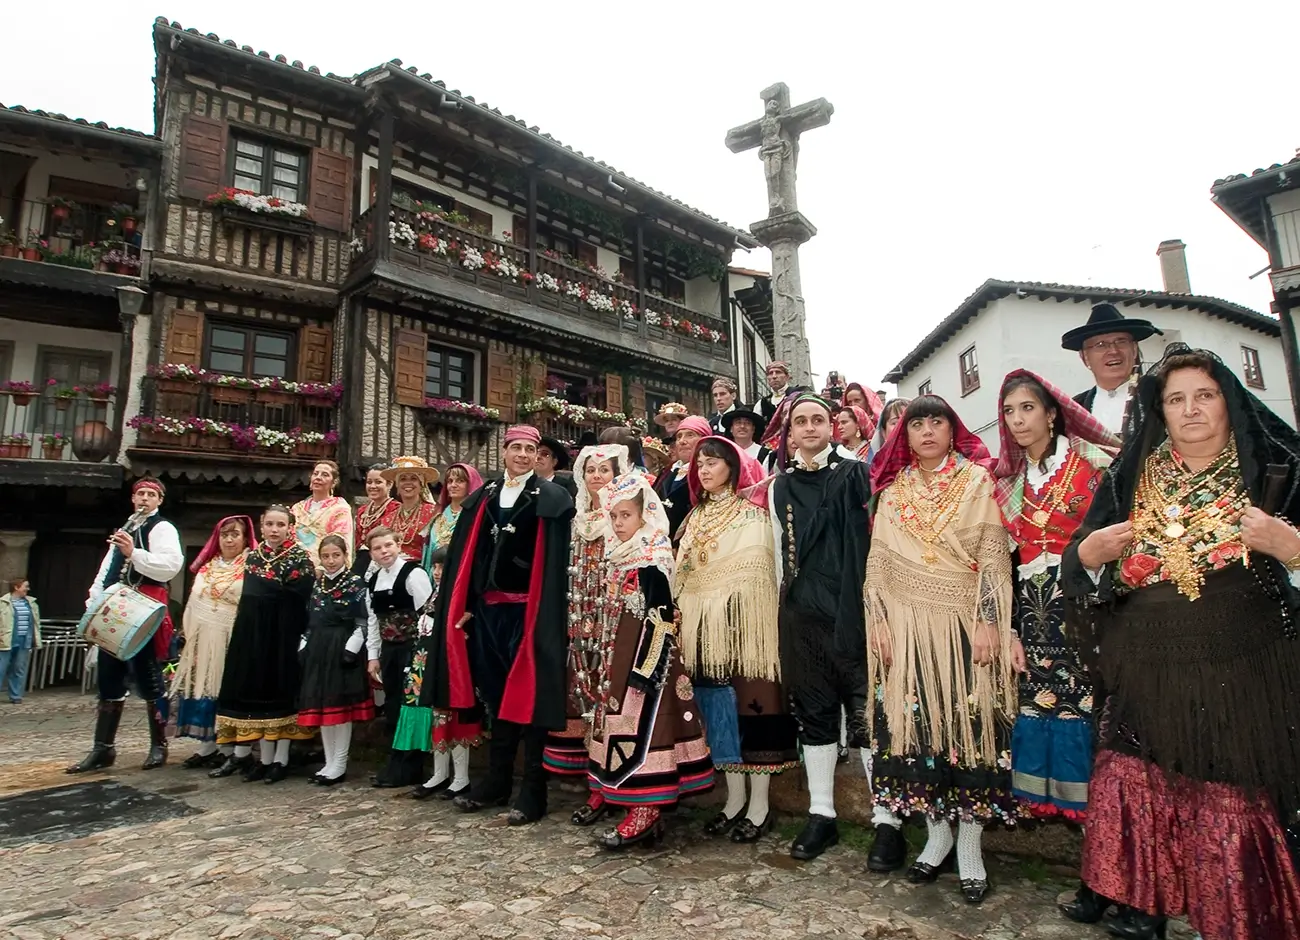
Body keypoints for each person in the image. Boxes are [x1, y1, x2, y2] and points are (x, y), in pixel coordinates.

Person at [1062, 346, 1300, 940]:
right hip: (1145, 666)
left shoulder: (1278, 473)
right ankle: (1147, 905)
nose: (1191, 410)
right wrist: (1087, 556)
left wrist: (1291, 548)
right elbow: (1084, 556)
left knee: (1226, 797)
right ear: (1159, 412)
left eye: (1205, 395)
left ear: (1230, 402)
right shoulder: (1130, 474)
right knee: (1140, 780)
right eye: (1175, 399)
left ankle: (1237, 918)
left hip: (1238, 669)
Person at [865, 395, 1014, 904]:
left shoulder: (977, 481)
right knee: (918, 730)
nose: (927, 431)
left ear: (953, 431)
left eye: (937, 422)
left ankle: (969, 846)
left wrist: (990, 622)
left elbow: (994, 561)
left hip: (962, 626)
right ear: (903, 436)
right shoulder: (892, 492)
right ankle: (937, 836)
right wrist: (880, 623)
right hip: (906, 630)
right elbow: (878, 566)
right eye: (917, 424)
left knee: (970, 729)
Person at [990, 371, 1120, 920]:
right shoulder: (1012, 482)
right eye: (1010, 412)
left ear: (1051, 412)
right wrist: (1011, 628)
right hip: (1036, 618)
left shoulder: (1094, 463)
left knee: (1102, 741)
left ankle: (1112, 878)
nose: (1019, 420)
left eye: (1028, 409)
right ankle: (1096, 875)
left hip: (1091, 614)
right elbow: (1010, 564)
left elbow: (1120, 536)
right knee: (1052, 722)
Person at [423, 424, 576, 825]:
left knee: (532, 697)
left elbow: (555, 562)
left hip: (530, 613)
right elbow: (469, 557)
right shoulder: (484, 497)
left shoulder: (553, 497)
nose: (523, 455)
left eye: (531, 449)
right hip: (489, 613)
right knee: (496, 696)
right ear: (504, 452)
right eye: (517, 448)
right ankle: (496, 781)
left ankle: (533, 791)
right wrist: (469, 603)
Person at [674, 436, 797, 842]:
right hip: (702, 630)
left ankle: (760, 807)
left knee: (754, 710)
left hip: (748, 632)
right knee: (718, 715)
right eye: (700, 464)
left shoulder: (754, 514)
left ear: (734, 466)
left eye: (713, 462)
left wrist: (731, 607)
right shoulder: (693, 518)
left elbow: (762, 570)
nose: (704, 470)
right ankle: (733, 799)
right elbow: (684, 575)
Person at [766, 396, 872, 862]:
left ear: (834, 427)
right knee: (815, 714)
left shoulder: (854, 476)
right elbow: (775, 554)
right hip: (801, 616)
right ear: (789, 433)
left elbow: (869, 547)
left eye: (818, 420)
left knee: (867, 716)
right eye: (800, 422)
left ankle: (885, 819)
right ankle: (821, 813)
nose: (809, 428)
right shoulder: (779, 487)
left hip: (853, 612)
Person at [588, 472, 715, 848]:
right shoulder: (619, 557)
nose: (618, 523)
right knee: (623, 728)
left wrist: (647, 672)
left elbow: (662, 618)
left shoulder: (652, 559)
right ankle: (635, 807)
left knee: (648, 729)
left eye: (625, 515)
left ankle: (646, 810)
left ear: (644, 515)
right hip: (619, 656)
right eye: (614, 516)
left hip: (646, 662)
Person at [68, 478, 184, 774]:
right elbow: (106, 571)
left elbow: (170, 565)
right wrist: (94, 606)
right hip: (115, 610)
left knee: (148, 675)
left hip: (142, 610)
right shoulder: (125, 529)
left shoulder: (162, 528)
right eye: (140, 494)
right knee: (109, 677)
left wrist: (135, 553)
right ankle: (103, 749)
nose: (144, 499)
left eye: (151, 494)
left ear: (160, 500)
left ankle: (159, 745)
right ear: (133, 499)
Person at [213, 504, 317, 784]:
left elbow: (300, 598)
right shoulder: (254, 557)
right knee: (257, 694)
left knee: (282, 694)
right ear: (262, 526)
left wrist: (274, 595)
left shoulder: (300, 557)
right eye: (270, 524)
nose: (274, 530)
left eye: (280, 525)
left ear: (289, 527)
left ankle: (281, 759)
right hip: (254, 635)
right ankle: (264, 759)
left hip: (285, 634)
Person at [549, 443, 628, 794]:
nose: (597, 476)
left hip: (613, 613)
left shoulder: (626, 512)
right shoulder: (576, 515)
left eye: (605, 470)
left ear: (617, 475)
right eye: (591, 471)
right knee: (581, 683)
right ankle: (585, 768)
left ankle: (612, 770)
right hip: (581, 611)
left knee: (610, 685)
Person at [172, 515, 256, 769]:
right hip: (203, 636)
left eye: (235, 534)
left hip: (234, 636)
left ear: (245, 538)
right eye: (224, 534)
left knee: (230, 692)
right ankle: (208, 746)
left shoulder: (253, 566)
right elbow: (195, 601)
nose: (229, 539)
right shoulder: (208, 567)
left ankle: (236, 750)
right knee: (202, 689)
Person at [298, 534, 377, 786]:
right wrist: (304, 645)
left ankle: (340, 763)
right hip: (319, 650)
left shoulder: (356, 584)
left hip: (343, 649)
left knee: (339, 709)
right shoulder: (318, 584)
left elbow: (363, 622)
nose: (331, 561)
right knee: (323, 707)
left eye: (336, 555)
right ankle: (328, 762)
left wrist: (351, 649)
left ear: (345, 556)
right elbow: (311, 619)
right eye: (326, 556)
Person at [367, 526, 434, 788]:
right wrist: (373, 656)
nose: (384, 552)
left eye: (388, 545)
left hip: (412, 649)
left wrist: (423, 653)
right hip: (389, 651)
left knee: (412, 707)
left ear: (398, 545)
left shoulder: (413, 574)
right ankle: (396, 763)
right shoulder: (373, 580)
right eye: (377, 548)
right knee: (393, 706)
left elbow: (428, 614)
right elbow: (373, 621)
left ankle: (412, 766)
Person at [1061, 302, 1162, 436]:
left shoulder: (1160, 396)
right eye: (1100, 345)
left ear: (1134, 349)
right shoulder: (1074, 410)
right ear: (1085, 357)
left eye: (1121, 341)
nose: (1113, 351)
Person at [655, 415, 712, 542]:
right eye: (679, 436)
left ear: (705, 440)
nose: (682, 441)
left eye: (690, 435)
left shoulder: (708, 474)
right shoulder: (667, 471)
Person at [292, 460, 354, 571]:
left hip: (324, 566)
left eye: (325, 475)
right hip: (294, 564)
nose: (318, 477)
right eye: (316, 474)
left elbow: (340, 540)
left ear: (333, 482)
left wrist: (322, 567)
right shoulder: (297, 508)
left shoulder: (340, 509)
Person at [379, 456, 439, 563]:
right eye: (403, 479)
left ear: (422, 484)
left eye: (413, 478)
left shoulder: (433, 513)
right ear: (397, 484)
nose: (408, 483)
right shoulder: (388, 518)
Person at [424, 463, 483, 565]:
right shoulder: (437, 517)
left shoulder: (476, 518)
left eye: (460, 481)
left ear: (471, 484)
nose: (453, 485)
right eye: (450, 481)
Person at [0, 578, 41, 704]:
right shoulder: (3, 603)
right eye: (25, 586)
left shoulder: (31, 603)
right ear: (16, 587)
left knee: (18, 668)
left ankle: (16, 695)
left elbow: (35, 623)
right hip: (6, 639)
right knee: (1, 668)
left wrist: (36, 638)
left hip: (24, 640)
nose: (27, 589)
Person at [354, 463, 398, 576]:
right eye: (369, 482)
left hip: (381, 561)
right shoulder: (362, 511)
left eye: (378, 482)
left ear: (389, 484)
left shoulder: (395, 509)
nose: (372, 486)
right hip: (360, 560)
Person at [721, 407, 773, 471]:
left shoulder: (766, 455)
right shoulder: (723, 454)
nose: (742, 426)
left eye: (747, 423)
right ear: (731, 428)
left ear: (753, 429)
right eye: (738, 423)